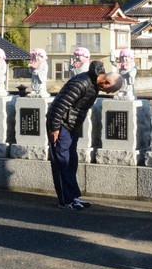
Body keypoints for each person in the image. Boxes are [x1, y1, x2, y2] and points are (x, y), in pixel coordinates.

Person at [46, 61, 123, 210]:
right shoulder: (81, 83)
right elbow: (59, 105)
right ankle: (65, 201)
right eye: (110, 90)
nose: (108, 93)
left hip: (71, 127)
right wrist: (54, 128)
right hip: (61, 126)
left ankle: (74, 197)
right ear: (106, 82)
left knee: (71, 163)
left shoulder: (93, 82)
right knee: (62, 163)